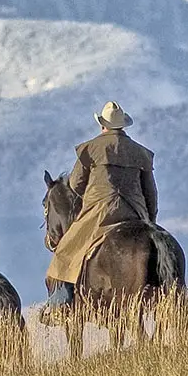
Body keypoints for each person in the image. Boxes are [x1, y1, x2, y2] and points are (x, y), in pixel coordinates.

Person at [42, 102, 157, 324]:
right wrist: (149, 220)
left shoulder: (90, 149)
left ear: (102, 125)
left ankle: (61, 304)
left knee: (64, 250)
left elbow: (75, 185)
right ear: (123, 126)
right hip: (136, 212)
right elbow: (151, 193)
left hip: (101, 211)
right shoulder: (140, 152)